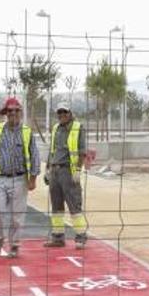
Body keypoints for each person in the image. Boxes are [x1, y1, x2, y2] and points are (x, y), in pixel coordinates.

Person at [0, 97, 40, 258]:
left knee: (17, 216)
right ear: (6, 113)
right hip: (0, 179)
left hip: (20, 179)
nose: (13, 113)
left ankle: (14, 245)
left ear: (20, 112)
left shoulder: (27, 132)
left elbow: (35, 155)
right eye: (10, 111)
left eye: (16, 110)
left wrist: (33, 178)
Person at [44, 102, 88, 249]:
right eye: (59, 113)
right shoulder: (56, 128)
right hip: (55, 170)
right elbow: (52, 150)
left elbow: (82, 152)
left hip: (68, 171)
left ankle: (81, 237)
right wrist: (47, 169)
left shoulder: (77, 128)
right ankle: (58, 237)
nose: (62, 115)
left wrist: (77, 169)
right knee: (56, 207)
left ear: (70, 113)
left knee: (74, 204)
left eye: (65, 112)